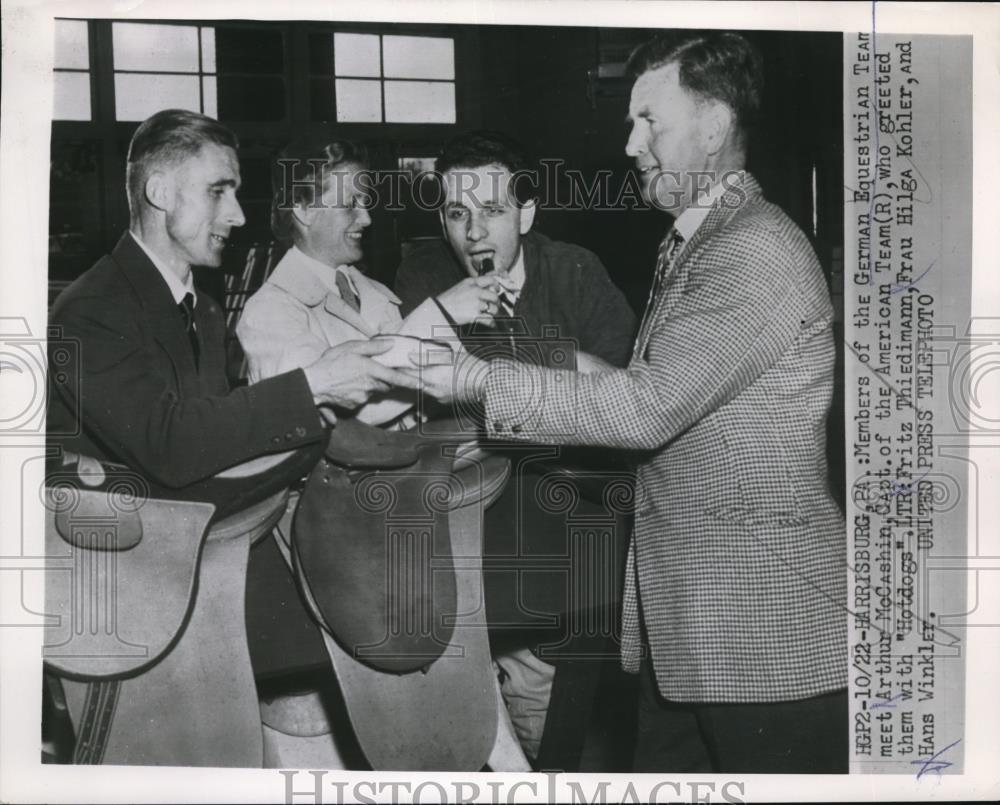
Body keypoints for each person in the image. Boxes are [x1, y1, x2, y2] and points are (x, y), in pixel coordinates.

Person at [415, 31, 847, 774]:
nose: (629, 144)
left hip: (760, 639)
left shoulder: (752, 249)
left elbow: (645, 407)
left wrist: (471, 379)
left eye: (649, 119)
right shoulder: (699, 244)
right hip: (696, 631)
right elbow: (631, 373)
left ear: (712, 130)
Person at [395, 130, 638, 763]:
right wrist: (565, 366)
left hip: (573, 512)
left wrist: (503, 360)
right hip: (469, 516)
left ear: (526, 212)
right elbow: (413, 388)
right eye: (456, 213)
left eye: (493, 211)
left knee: (549, 689)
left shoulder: (576, 269)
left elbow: (629, 398)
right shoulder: (423, 272)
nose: (473, 233)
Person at [48, 109, 424, 514]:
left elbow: (216, 439)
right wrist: (313, 384)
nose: (238, 215)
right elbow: (170, 448)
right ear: (159, 193)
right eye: (217, 191)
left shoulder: (204, 311)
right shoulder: (90, 310)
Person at [237, 137, 499, 426]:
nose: (366, 218)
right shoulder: (269, 311)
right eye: (351, 204)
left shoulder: (377, 294)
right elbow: (339, 418)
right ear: (303, 210)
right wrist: (439, 313)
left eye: (365, 202)